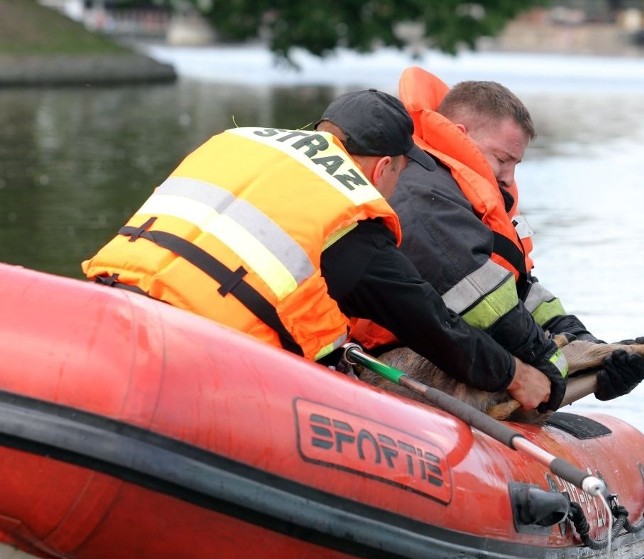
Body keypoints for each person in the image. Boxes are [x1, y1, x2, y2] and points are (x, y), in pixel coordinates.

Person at [81, 88, 565, 411]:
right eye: (401, 173)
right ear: (383, 170)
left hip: (106, 311)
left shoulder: (240, 141)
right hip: (203, 361)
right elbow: (427, 321)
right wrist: (515, 374)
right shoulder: (348, 215)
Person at [352, 68, 644, 404]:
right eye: (503, 159)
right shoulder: (419, 193)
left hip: (444, 344)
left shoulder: (466, 192)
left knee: (530, 357)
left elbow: (520, 292)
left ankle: (598, 363)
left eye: (516, 164)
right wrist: (559, 366)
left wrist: (591, 346)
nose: (508, 177)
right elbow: (486, 306)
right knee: (509, 359)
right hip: (381, 359)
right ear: (459, 134)